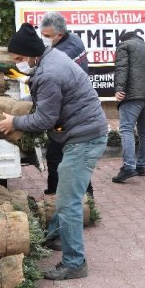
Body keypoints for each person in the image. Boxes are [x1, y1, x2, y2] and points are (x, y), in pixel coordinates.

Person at [0, 23, 107, 280]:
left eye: (20, 59)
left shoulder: (49, 72)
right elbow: (42, 99)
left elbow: (43, 119)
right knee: (65, 193)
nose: (19, 63)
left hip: (84, 139)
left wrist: (14, 122)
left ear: (32, 53)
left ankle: (75, 263)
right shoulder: (51, 58)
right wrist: (16, 106)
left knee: (68, 202)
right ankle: (54, 237)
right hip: (80, 134)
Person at [38, 12, 94, 196]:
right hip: (72, 110)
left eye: (46, 36)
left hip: (72, 113)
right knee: (68, 154)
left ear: (59, 35)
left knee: (59, 154)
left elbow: (51, 76)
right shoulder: (73, 40)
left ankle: (59, 194)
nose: (43, 39)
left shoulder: (65, 51)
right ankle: (77, 194)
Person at [111, 31, 145, 183]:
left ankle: (128, 167)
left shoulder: (124, 45)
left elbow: (121, 67)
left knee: (126, 129)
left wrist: (119, 89)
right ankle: (141, 166)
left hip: (132, 95)